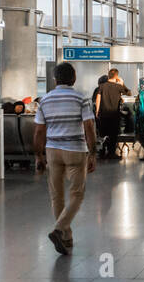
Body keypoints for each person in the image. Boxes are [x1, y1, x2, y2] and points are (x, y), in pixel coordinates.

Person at [33, 61, 97, 255]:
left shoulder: (44, 100)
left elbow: (39, 131)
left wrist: (38, 155)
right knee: (77, 194)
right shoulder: (81, 99)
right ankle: (60, 229)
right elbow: (88, 127)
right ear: (74, 78)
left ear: (54, 79)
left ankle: (66, 238)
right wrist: (93, 152)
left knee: (56, 195)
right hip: (75, 150)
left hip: (52, 150)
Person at [93, 68, 128, 160]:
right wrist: (122, 83)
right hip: (114, 115)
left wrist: (97, 111)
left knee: (103, 134)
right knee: (113, 135)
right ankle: (111, 153)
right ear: (116, 76)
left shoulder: (102, 86)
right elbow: (129, 93)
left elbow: (98, 98)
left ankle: (103, 151)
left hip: (103, 114)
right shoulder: (118, 86)